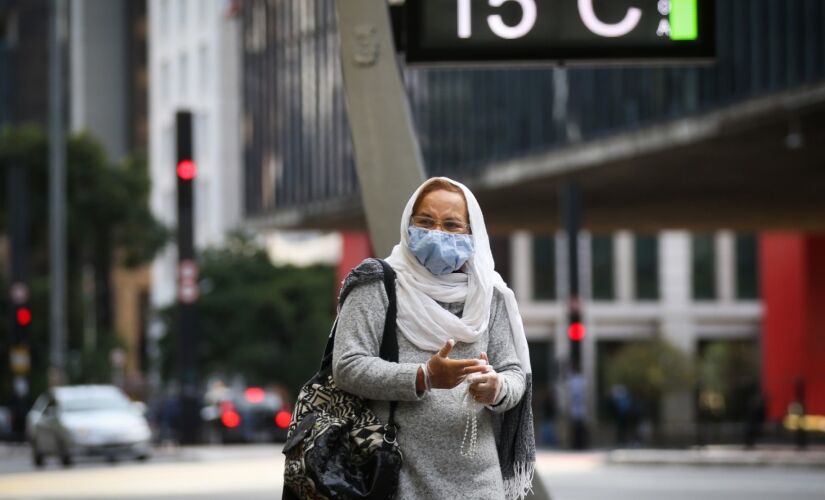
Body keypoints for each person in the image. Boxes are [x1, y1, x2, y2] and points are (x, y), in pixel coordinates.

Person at [333, 177, 536, 500]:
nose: (437, 233)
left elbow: (513, 372)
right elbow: (346, 365)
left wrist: (496, 387)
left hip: (478, 481)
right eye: (425, 222)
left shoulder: (491, 294)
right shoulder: (376, 283)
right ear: (408, 224)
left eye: (452, 224)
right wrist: (423, 376)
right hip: (395, 474)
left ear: (472, 233)